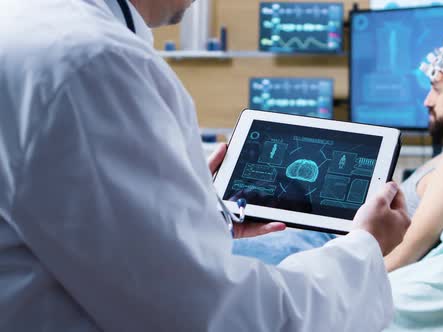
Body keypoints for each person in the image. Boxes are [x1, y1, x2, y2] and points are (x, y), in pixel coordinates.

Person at [0, 0, 410, 331]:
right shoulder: (93, 61)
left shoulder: (32, 26)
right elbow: (210, 314)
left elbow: (76, 220)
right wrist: (366, 247)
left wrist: (199, 215)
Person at [233, 36, 443, 273]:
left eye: (436, 90)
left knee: (212, 245)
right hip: (332, 240)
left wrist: (345, 282)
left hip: (328, 247)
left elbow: (407, 250)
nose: (427, 101)